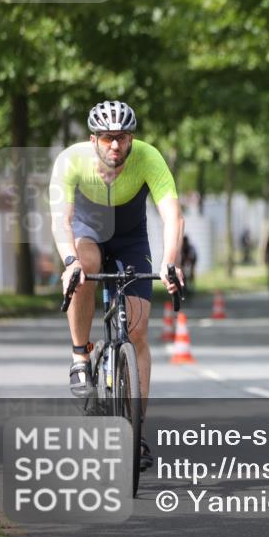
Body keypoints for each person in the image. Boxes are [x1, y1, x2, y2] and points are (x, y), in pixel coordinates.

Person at [50, 100, 184, 472]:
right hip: (87, 236)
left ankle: (135, 432)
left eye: (122, 138)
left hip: (130, 240)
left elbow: (172, 214)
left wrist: (170, 261)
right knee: (85, 268)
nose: (115, 146)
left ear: (131, 138)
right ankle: (80, 355)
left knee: (138, 332)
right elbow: (61, 219)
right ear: (94, 139)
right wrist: (69, 261)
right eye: (108, 138)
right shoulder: (70, 160)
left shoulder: (149, 158)